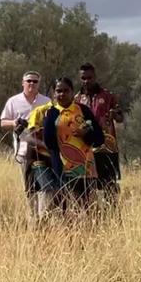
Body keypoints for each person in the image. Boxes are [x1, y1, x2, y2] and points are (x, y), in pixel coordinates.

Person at [29, 77, 105, 211]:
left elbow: (99, 139)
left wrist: (86, 134)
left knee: (87, 207)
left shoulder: (83, 111)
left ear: (72, 92)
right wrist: (47, 122)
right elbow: (49, 143)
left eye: (66, 90)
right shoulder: (50, 112)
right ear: (54, 93)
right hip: (62, 168)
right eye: (58, 91)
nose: (62, 94)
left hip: (86, 169)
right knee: (64, 208)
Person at [0, 71, 52, 218]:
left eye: (35, 81)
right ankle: (32, 217)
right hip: (22, 151)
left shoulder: (47, 101)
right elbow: (3, 122)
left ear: (39, 84)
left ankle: (44, 217)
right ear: (23, 83)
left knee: (45, 184)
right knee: (29, 185)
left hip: (43, 150)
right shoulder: (13, 101)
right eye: (29, 81)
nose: (32, 84)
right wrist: (15, 122)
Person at [76, 63, 123, 204]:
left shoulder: (108, 96)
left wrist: (115, 114)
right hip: (85, 148)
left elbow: (121, 118)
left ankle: (112, 217)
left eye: (89, 77)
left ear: (95, 76)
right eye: (83, 78)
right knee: (87, 185)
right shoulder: (77, 99)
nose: (86, 81)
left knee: (109, 184)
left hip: (106, 147)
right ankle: (93, 217)